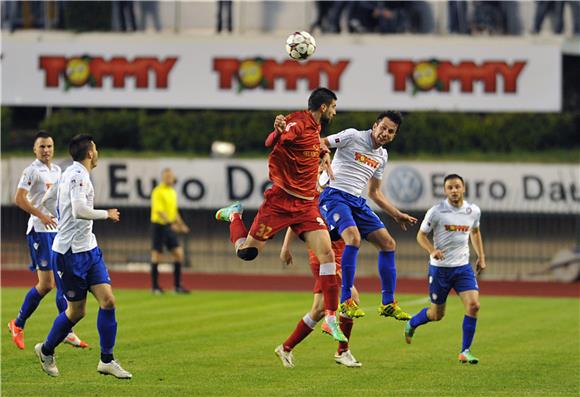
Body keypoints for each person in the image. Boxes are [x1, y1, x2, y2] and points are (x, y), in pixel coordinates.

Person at [215, 87, 347, 343]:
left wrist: (325, 154)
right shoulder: (297, 122)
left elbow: (311, 148)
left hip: (307, 205)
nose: (334, 111)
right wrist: (277, 131)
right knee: (247, 253)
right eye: (333, 107)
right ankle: (234, 216)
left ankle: (331, 318)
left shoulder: (316, 129)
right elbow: (272, 143)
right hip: (281, 202)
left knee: (327, 253)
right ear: (323, 107)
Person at [36, 134, 131, 378]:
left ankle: (106, 360)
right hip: (70, 254)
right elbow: (78, 210)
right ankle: (46, 350)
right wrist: (106, 214)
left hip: (89, 249)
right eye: (96, 149)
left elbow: (47, 200)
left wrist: (59, 217)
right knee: (76, 312)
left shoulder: (68, 172)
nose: (97, 153)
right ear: (90, 153)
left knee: (108, 301)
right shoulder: (78, 176)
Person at [318, 111, 417, 322]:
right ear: (374, 126)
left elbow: (375, 193)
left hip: (356, 201)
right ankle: (347, 300)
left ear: (394, 135)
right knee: (353, 238)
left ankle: (388, 303)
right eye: (383, 128)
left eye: (391, 131)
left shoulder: (382, 156)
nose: (385, 133)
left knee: (388, 243)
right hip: (334, 195)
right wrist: (324, 156)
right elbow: (320, 142)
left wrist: (397, 214)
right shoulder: (353, 136)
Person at [8, 131, 87, 351]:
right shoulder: (31, 171)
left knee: (62, 279)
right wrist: (41, 215)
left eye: (50, 146)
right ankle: (17, 323)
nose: (46, 150)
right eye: (42, 147)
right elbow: (19, 199)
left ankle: (67, 331)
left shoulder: (58, 170)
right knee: (46, 285)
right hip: (40, 231)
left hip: (56, 231)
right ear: (35, 149)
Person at [405, 174, 487, 365]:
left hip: (462, 269)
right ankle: (412, 323)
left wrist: (481, 256)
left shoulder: (473, 211)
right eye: (450, 187)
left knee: (474, 306)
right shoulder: (436, 212)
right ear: (445, 191)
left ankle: (465, 351)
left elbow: (475, 232)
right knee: (436, 315)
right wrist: (432, 250)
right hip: (440, 270)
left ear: (463, 188)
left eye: (457, 186)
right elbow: (420, 236)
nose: (454, 190)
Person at [275, 228, 362, 368]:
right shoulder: (317, 206)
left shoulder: (347, 206)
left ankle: (285, 348)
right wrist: (285, 247)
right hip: (325, 259)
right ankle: (342, 351)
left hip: (338, 258)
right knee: (352, 299)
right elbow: (294, 223)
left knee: (319, 309)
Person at [150, 168, 191, 294]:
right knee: (157, 255)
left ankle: (177, 286)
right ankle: (155, 287)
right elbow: (160, 211)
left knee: (178, 253)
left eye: (170, 176)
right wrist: (172, 224)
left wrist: (182, 225)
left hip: (169, 226)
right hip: (159, 226)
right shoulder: (158, 191)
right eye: (166, 176)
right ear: (163, 178)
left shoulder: (172, 192)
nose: (168, 178)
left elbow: (174, 212)